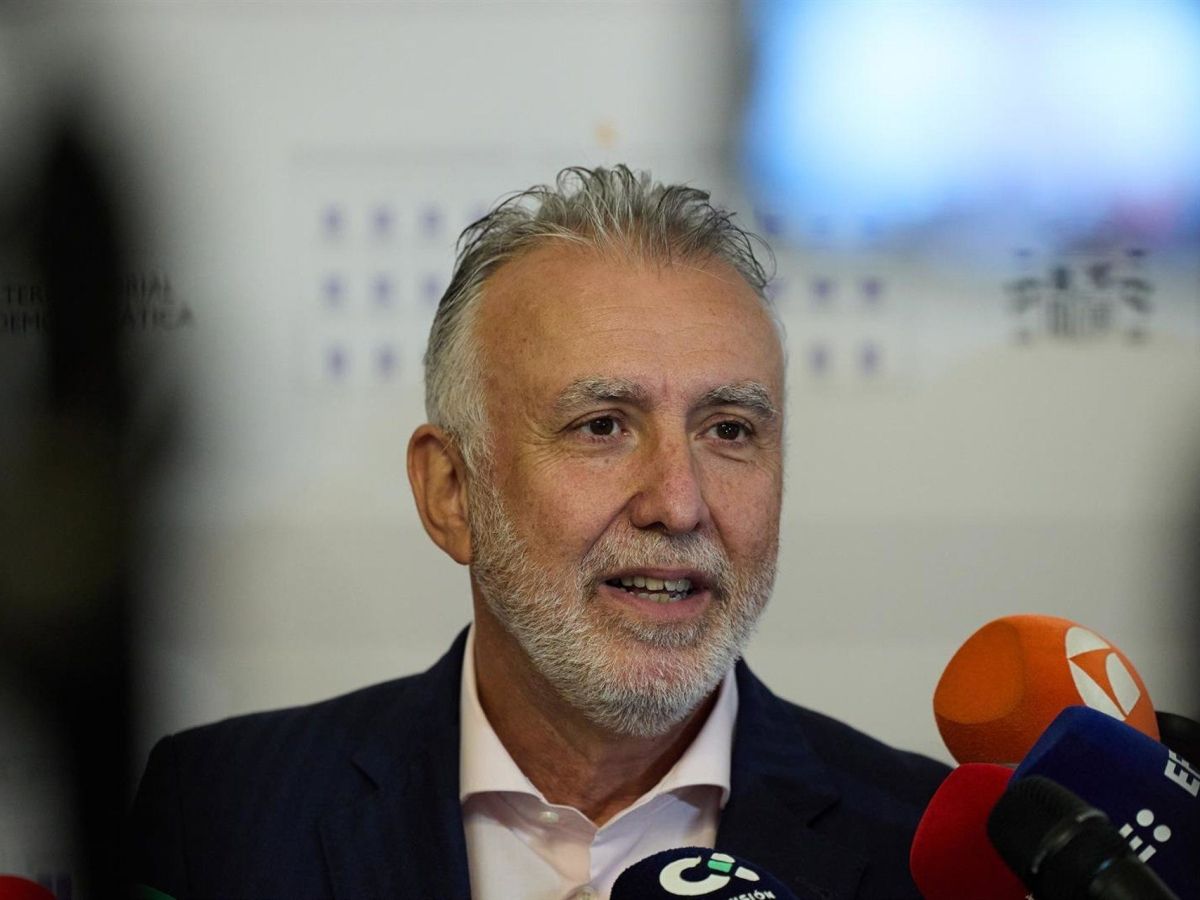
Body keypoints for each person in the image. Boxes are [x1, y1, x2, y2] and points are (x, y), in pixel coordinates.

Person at [126, 166, 949, 900]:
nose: (679, 503)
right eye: (602, 426)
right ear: (451, 493)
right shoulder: (220, 810)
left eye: (729, 430)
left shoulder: (931, 852)